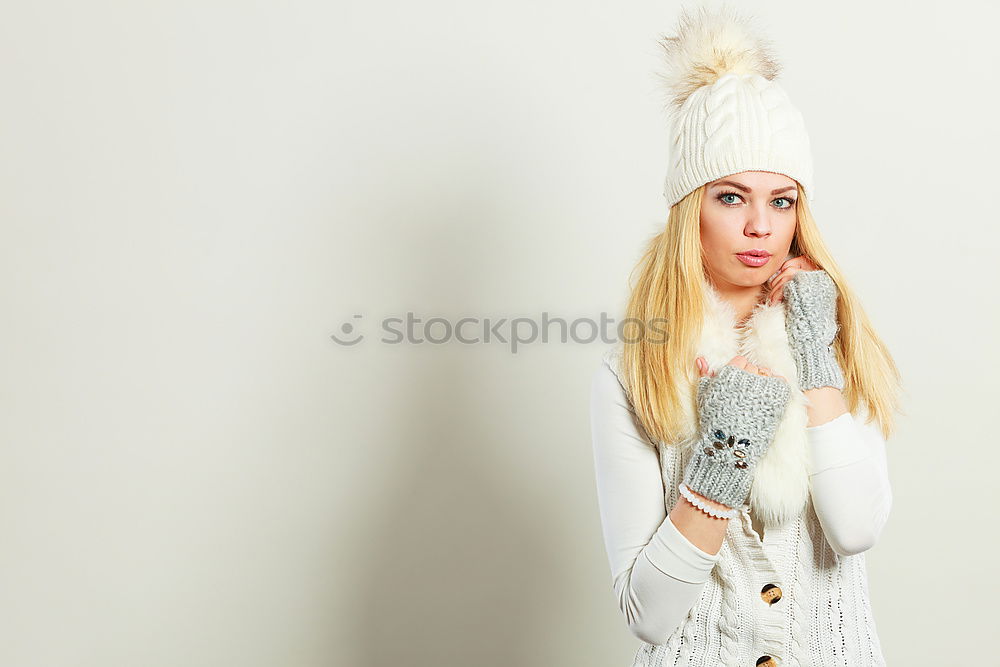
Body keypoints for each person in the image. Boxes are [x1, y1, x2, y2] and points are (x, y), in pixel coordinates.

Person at [589, 5, 902, 667]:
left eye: (781, 200)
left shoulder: (837, 338)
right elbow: (648, 614)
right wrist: (724, 454)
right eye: (731, 197)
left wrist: (813, 350)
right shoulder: (634, 370)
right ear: (690, 208)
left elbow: (854, 527)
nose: (760, 224)